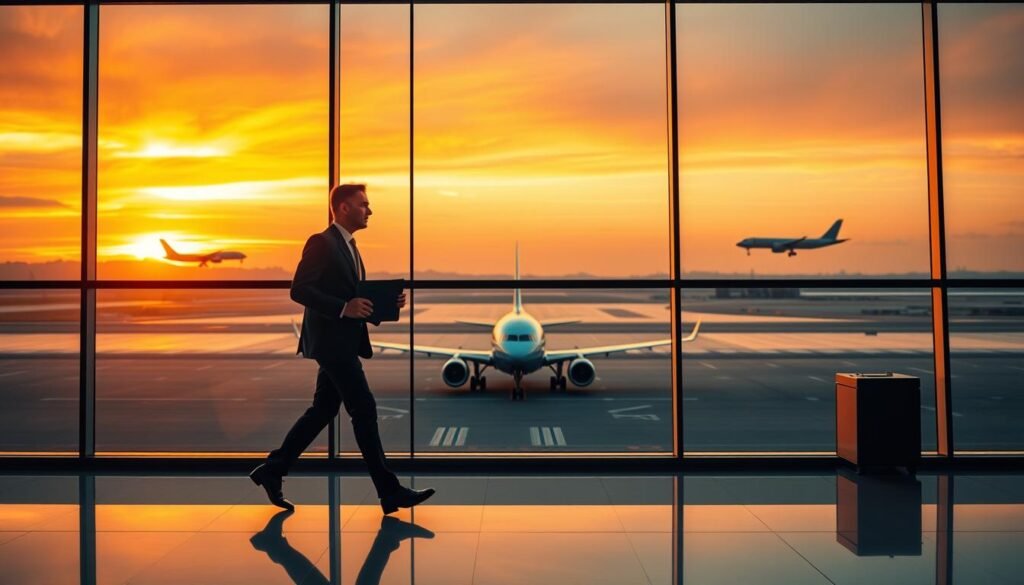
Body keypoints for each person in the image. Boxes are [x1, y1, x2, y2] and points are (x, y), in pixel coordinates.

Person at [250, 183, 434, 514]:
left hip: (342, 341)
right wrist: (342, 308)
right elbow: (299, 289)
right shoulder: (322, 242)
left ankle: (273, 470)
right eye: (364, 204)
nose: (370, 210)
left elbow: (351, 296)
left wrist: (385, 305)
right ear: (344, 208)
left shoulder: (350, 246)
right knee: (364, 410)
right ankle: (390, 492)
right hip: (332, 344)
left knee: (323, 410)